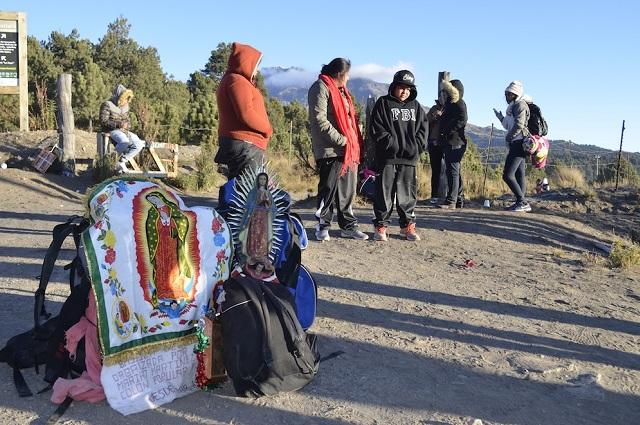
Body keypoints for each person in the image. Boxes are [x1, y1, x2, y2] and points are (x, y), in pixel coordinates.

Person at [308, 58, 368, 241]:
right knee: (328, 189)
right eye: (347, 74)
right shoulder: (320, 88)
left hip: (349, 151)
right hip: (331, 149)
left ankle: (348, 226)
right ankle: (322, 226)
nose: (349, 78)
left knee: (348, 191)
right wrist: (342, 140)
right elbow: (319, 120)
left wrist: (353, 140)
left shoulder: (343, 92)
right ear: (339, 74)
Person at [369, 70, 427, 241]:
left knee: (407, 195)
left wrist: (415, 147)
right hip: (387, 159)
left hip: (409, 160)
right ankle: (381, 226)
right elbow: (377, 129)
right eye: (401, 88)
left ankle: (407, 226)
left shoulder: (416, 107)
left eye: (408, 89)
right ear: (394, 87)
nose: (405, 92)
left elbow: (423, 131)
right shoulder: (383, 103)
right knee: (384, 194)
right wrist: (392, 145)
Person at [215, 42, 273, 180]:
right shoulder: (237, 81)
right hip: (245, 145)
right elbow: (246, 113)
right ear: (246, 62)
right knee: (246, 190)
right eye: (256, 65)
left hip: (243, 144)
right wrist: (267, 129)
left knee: (240, 187)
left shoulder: (232, 80)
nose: (257, 70)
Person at [494, 81, 532, 212]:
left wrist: (509, 137)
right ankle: (521, 202)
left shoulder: (520, 105)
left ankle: (522, 201)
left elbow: (519, 125)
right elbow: (507, 125)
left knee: (507, 175)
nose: (506, 96)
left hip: (519, 143)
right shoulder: (512, 107)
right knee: (519, 173)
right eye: (505, 94)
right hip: (517, 143)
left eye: (509, 94)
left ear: (515, 94)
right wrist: (500, 117)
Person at [237, 172, 276, 279]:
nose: (262, 181)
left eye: (264, 179)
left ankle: (261, 257)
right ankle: (252, 255)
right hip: (254, 219)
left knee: (262, 237)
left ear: (267, 181)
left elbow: (273, 209)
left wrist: (267, 203)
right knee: (253, 236)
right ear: (258, 180)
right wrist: (254, 206)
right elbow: (248, 205)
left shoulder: (268, 193)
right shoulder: (253, 193)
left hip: (264, 219)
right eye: (261, 179)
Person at [99, 84, 145, 174]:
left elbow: (128, 120)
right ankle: (111, 161)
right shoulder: (107, 104)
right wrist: (118, 124)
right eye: (125, 97)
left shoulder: (125, 106)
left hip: (124, 130)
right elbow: (103, 121)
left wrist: (127, 125)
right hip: (111, 130)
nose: (126, 100)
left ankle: (121, 161)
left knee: (139, 144)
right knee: (124, 142)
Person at [437, 79, 468, 209]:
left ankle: (451, 201)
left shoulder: (459, 103)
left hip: (455, 141)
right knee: (454, 171)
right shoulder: (450, 103)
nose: (445, 93)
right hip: (452, 141)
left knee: (452, 172)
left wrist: (448, 130)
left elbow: (463, 119)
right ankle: (458, 199)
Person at [426, 99, 445, 204]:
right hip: (433, 142)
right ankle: (434, 196)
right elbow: (426, 120)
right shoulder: (434, 108)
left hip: (446, 142)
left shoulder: (451, 108)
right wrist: (434, 116)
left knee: (451, 170)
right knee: (436, 170)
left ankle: (454, 196)